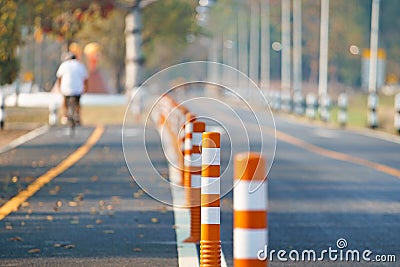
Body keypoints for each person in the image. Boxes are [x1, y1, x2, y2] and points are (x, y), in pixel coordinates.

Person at [56, 52, 88, 125]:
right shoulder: (80, 65)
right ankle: (77, 115)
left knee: (64, 101)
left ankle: (65, 116)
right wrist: (86, 88)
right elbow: (85, 79)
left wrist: (59, 87)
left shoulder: (64, 65)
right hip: (77, 89)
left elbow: (59, 77)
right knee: (77, 102)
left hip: (66, 88)